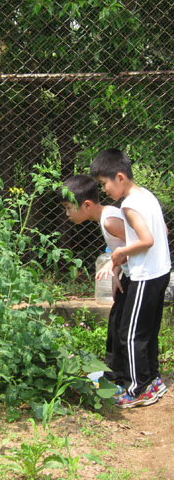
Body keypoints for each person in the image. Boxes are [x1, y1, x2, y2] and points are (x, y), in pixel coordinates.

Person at [90, 149, 171, 408]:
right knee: (147, 331)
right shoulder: (146, 195)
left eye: (105, 184)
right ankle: (152, 380)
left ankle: (138, 389)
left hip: (145, 276)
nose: (104, 191)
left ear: (120, 177)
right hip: (161, 272)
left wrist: (121, 252)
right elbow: (164, 230)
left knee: (130, 333)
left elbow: (147, 240)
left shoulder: (129, 204)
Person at [59, 174, 127, 387]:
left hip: (142, 277)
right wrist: (117, 273)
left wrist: (113, 261)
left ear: (86, 205)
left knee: (125, 330)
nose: (67, 214)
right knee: (116, 324)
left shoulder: (109, 220)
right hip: (129, 276)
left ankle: (125, 379)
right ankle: (113, 374)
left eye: (69, 208)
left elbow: (138, 243)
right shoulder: (107, 217)